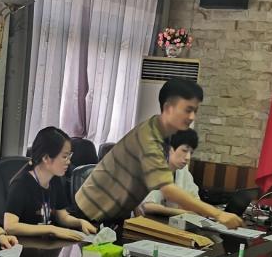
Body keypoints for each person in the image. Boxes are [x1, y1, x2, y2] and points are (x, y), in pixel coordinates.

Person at [74, 79, 243, 231]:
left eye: (195, 111)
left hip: (114, 216)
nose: (192, 117)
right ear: (168, 108)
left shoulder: (164, 135)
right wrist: (218, 214)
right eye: (188, 110)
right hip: (87, 215)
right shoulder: (149, 137)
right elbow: (168, 190)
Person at [3, 126, 98, 241]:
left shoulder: (55, 179)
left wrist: (80, 222)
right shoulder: (21, 183)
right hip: (23, 245)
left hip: (46, 244)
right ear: (46, 158)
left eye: (69, 156)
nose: (68, 162)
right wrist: (51, 229)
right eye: (64, 156)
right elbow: (10, 226)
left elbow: (62, 216)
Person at [140, 128, 201, 218]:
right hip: (143, 222)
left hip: (169, 222)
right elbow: (147, 206)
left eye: (191, 153)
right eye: (184, 151)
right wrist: (183, 212)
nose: (188, 157)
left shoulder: (183, 170)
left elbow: (195, 200)